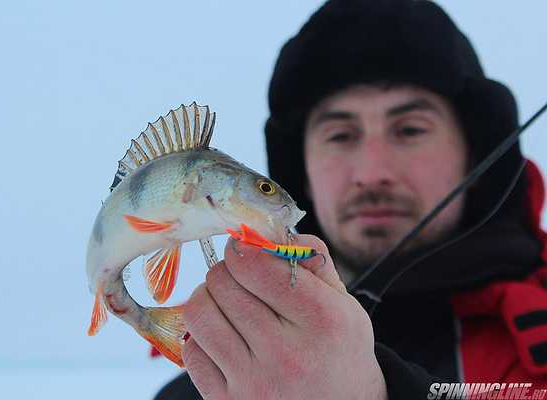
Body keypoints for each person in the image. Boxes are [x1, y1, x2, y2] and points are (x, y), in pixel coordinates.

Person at [155, 1, 547, 398]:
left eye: (410, 130)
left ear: (474, 154)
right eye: (340, 135)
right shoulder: (208, 382)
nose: (370, 173)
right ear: (302, 171)